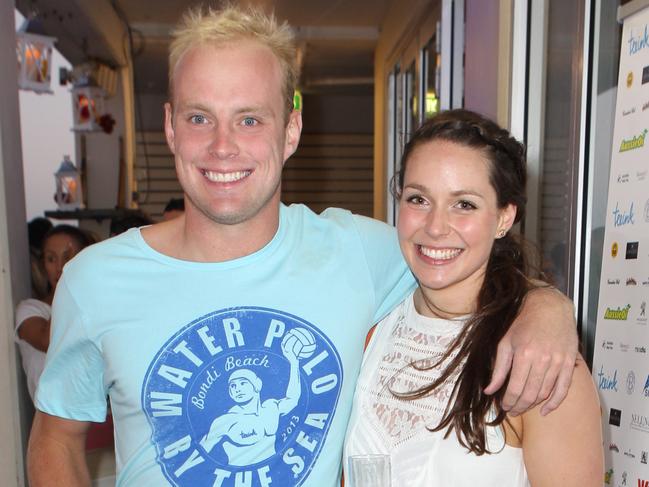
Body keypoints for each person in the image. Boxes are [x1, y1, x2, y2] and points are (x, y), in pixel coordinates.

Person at [27, 6, 577, 487]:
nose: (222, 147)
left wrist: (548, 307)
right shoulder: (94, 279)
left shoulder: (359, 250)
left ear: (290, 131)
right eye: (199, 118)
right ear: (170, 126)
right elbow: (56, 439)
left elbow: (463, 259)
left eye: (249, 119)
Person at [344, 110, 603, 486]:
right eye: (418, 199)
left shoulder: (539, 360)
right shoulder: (369, 326)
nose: (435, 227)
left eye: (464, 204)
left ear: (503, 217)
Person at [15, 224, 92, 401]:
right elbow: (48, 340)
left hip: (99, 418)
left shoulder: (96, 308)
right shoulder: (30, 309)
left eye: (68, 258)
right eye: (51, 259)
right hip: (53, 421)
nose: (60, 267)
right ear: (43, 265)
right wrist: (67, 285)